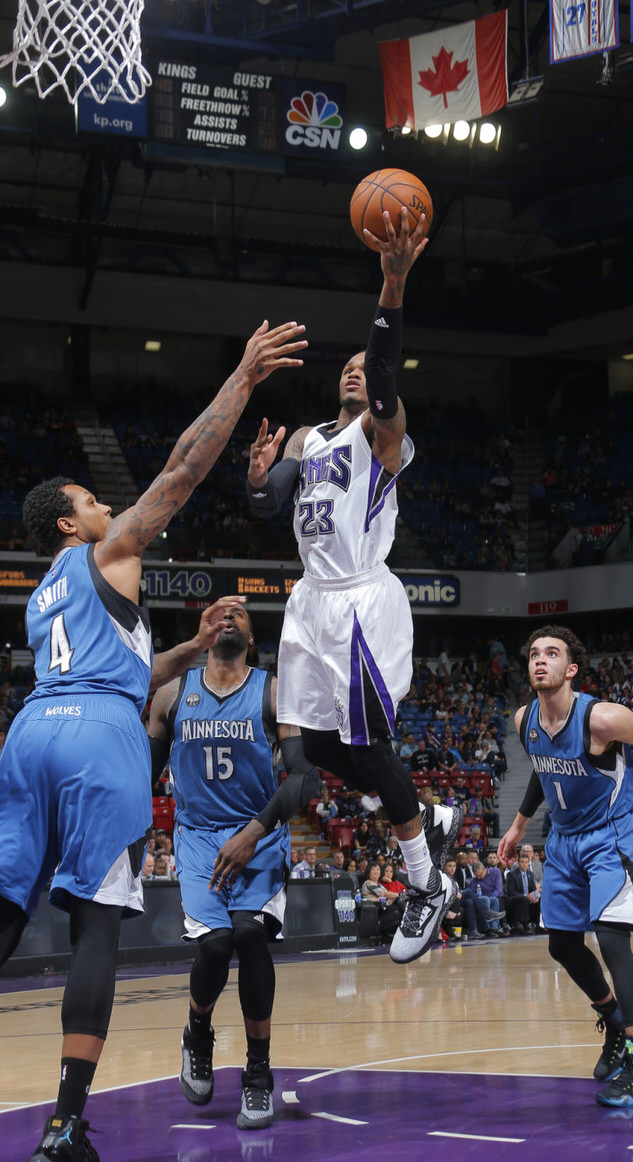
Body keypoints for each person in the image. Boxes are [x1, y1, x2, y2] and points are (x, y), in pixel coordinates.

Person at [0, 318, 306, 1162]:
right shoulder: (108, 554)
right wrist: (241, 379)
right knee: (97, 929)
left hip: (30, 732)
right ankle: (65, 1124)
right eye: (91, 503)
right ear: (69, 525)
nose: (107, 507)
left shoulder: (44, 595)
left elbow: (123, 668)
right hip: (100, 740)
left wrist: (190, 649)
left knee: (4, 912)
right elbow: (178, 470)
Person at [245, 208, 459, 963]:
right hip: (309, 602)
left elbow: (388, 364)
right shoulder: (309, 439)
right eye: (349, 366)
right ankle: (425, 813)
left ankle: (425, 881)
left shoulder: (383, 436)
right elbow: (269, 502)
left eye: (365, 368)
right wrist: (255, 478)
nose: (355, 369)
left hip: (364, 600)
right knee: (320, 753)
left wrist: (391, 288)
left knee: (368, 750)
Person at [498, 625, 633, 1108]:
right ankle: (613, 1020)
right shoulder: (524, 719)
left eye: (551, 654)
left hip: (610, 837)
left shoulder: (602, 718)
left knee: (612, 940)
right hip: (564, 839)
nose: (540, 661)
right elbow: (542, 766)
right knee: (561, 944)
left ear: (570, 669)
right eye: (534, 654)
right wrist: (517, 826)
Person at [148, 603, 318, 1131]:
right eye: (217, 611)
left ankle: (258, 1072)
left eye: (239, 612)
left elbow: (303, 778)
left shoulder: (272, 692)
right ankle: (198, 1030)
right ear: (202, 628)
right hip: (198, 838)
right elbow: (142, 774)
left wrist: (254, 832)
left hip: (258, 833)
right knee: (216, 944)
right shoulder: (173, 692)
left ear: (250, 634)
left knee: (248, 937)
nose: (228, 616)